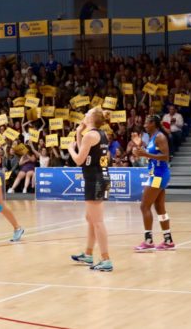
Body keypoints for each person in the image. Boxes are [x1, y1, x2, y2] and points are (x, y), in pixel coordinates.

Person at [68, 108, 113, 272]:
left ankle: (106, 259)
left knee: (98, 221)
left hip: (95, 180)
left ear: (92, 118)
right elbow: (85, 153)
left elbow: (79, 159)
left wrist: (70, 149)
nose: (84, 115)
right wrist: (78, 133)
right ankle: (88, 253)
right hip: (100, 178)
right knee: (90, 218)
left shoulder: (91, 135)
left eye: (87, 113)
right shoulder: (100, 134)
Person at [133, 115, 174, 252]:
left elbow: (166, 157)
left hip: (158, 175)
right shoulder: (152, 137)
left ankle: (148, 240)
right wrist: (139, 148)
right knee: (159, 208)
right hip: (156, 174)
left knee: (144, 206)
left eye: (146, 122)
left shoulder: (160, 137)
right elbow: (149, 154)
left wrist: (146, 155)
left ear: (153, 124)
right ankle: (168, 240)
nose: (144, 125)